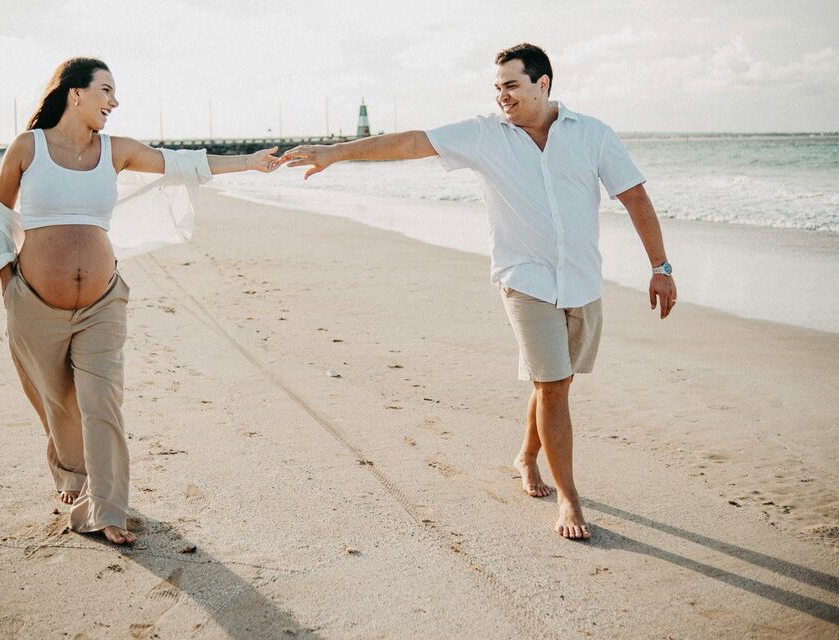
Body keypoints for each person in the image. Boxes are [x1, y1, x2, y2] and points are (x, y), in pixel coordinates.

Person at [283, 43, 676, 540]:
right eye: (497, 88)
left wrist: (660, 266)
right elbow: (411, 143)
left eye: (512, 85)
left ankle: (526, 455)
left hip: (581, 281)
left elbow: (633, 194)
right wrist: (335, 153)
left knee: (555, 384)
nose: (502, 97)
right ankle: (570, 498)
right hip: (525, 281)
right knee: (553, 386)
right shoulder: (484, 136)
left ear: (543, 84)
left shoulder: (591, 134)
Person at [0, 57, 284, 545]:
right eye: (105, 90)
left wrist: (248, 162)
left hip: (103, 303)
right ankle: (74, 476)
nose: (114, 101)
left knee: (102, 401)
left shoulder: (116, 151)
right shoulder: (27, 147)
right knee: (58, 402)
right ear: (74, 93)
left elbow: (183, 163)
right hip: (34, 303)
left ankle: (107, 510)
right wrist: (7, 283)